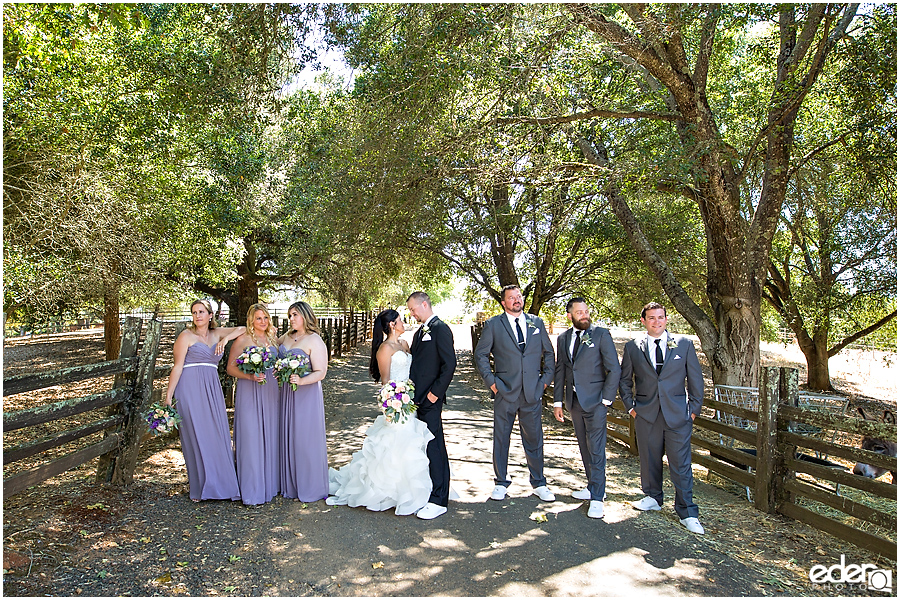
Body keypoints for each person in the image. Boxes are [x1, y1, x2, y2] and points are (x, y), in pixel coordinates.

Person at [326, 308, 435, 516]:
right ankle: (389, 491)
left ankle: (413, 488)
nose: (404, 322)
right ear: (392, 324)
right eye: (401, 320)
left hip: (410, 400)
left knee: (411, 442)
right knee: (394, 443)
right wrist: (391, 404)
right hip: (396, 403)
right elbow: (385, 381)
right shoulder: (384, 349)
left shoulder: (404, 344)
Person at [619, 302, 705, 534]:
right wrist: (631, 408)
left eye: (660, 317)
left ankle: (687, 511)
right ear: (643, 321)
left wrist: (694, 409)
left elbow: (695, 379)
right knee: (649, 459)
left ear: (666, 319)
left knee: (681, 464)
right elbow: (625, 381)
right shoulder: (632, 347)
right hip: (646, 414)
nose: (657, 322)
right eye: (652, 318)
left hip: (678, 415)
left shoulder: (684, 345)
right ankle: (653, 497)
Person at [473, 285, 555, 502]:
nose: (517, 300)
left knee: (534, 438)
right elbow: (480, 354)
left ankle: (539, 482)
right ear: (503, 302)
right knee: (501, 438)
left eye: (519, 296)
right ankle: (501, 482)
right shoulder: (493, 324)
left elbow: (549, 352)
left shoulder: (536, 323)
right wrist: (492, 382)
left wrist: (545, 381)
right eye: (511, 298)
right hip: (505, 391)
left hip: (532, 392)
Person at [165, 299, 244, 502]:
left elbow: (243, 328)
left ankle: (223, 485)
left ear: (210, 315)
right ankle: (201, 487)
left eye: (201, 311)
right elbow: (177, 367)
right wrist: (168, 397)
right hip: (189, 388)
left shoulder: (217, 334)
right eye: (194, 312)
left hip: (212, 387)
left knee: (218, 433)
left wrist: (225, 341)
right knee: (197, 434)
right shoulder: (185, 336)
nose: (198, 315)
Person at [553, 298, 621, 519]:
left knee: (597, 449)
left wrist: (606, 400)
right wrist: (557, 401)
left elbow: (614, 369)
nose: (584, 315)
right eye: (579, 312)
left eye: (586, 311)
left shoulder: (601, 334)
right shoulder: (563, 338)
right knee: (584, 446)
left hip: (596, 403)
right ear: (569, 315)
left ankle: (598, 498)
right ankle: (592, 486)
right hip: (574, 403)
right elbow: (561, 370)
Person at [406, 292, 457, 520]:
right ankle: (434, 491)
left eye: (413, 309)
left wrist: (435, 395)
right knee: (429, 446)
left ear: (424, 304)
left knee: (435, 447)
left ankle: (439, 500)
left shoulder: (440, 329)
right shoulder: (420, 332)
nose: (411, 313)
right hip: (417, 401)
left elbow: (450, 365)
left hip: (431, 400)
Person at [227, 303, 281, 506]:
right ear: (251, 320)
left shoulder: (273, 339)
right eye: (258, 318)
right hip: (249, 390)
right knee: (251, 435)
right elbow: (230, 369)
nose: (263, 322)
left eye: (265, 318)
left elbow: (278, 363)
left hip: (270, 391)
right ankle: (252, 487)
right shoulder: (243, 340)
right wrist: (249, 376)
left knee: (270, 433)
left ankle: (270, 483)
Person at [278, 301, 329, 502]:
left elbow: (321, 372)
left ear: (305, 316)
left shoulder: (314, 340)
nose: (291, 319)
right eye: (289, 315)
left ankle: (309, 484)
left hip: (306, 394)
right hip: (286, 393)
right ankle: (290, 483)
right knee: (288, 434)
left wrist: (301, 380)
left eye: (295, 315)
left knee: (305, 438)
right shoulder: (286, 337)